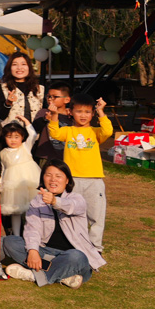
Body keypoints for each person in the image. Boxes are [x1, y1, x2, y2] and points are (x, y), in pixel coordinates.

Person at [2, 160, 105, 288]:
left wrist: (55, 201)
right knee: (10, 242)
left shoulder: (76, 198)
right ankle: (64, 275)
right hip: (45, 252)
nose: (53, 180)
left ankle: (33, 275)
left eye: (58, 176)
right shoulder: (36, 202)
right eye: (48, 175)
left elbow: (72, 206)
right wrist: (33, 251)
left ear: (67, 180)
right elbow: (32, 229)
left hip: (71, 255)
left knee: (77, 257)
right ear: (43, 178)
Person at [47, 92, 112, 252]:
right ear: (70, 112)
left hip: (94, 180)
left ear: (93, 113)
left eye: (87, 112)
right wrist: (54, 115)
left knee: (96, 215)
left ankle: (95, 247)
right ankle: (73, 244)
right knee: (70, 213)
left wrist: (101, 111)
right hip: (72, 180)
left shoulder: (96, 132)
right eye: (79, 111)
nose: (83, 115)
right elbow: (54, 133)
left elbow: (108, 131)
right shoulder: (68, 131)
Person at [0, 117, 38, 235]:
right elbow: (3, 169)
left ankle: (32, 233)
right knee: (15, 211)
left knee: (32, 209)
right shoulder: (3, 153)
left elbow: (33, 134)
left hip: (28, 181)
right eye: (9, 137)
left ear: (22, 137)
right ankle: (16, 235)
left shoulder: (25, 147)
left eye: (16, 137)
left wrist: (26, 121)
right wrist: (0, 183)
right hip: (13, 185)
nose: (13, 140)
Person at [0, 51, 45, 124]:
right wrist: (8, 103)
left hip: (34, 130)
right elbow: (1, 116)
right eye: (15, 64)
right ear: (9, 68)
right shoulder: (3, 88)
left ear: (29, 67)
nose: (19, 68)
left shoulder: (40, 89)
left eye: (23, 64)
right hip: (11, 130)